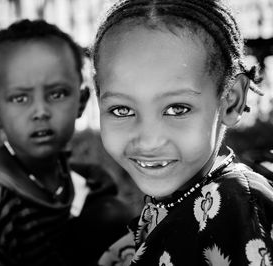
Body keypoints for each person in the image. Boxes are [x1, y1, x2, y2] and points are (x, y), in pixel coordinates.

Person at [91, 0, 273, 265]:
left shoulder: (235, 206)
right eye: (121, 110)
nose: (149, 140)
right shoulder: (174, 203)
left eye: (177, 109)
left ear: (231, 100)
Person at [0, 19, 134, 266]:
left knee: (114, 216)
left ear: (81, 102)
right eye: (20, 98)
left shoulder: (48, 165)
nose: (40, 111)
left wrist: (90, 175)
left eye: (56, 94)